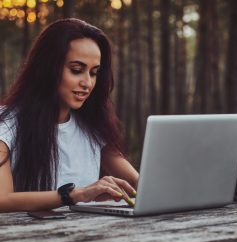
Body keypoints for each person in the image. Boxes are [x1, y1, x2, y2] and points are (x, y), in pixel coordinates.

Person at [0, 18, 139, 212]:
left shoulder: (93, 126)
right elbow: (2, 199)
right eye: (76, 70)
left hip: (87, 237)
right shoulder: (6, 125)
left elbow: (137, 182)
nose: (87, 83)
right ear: (47, 68)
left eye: (94, 72)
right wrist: (74, 195)